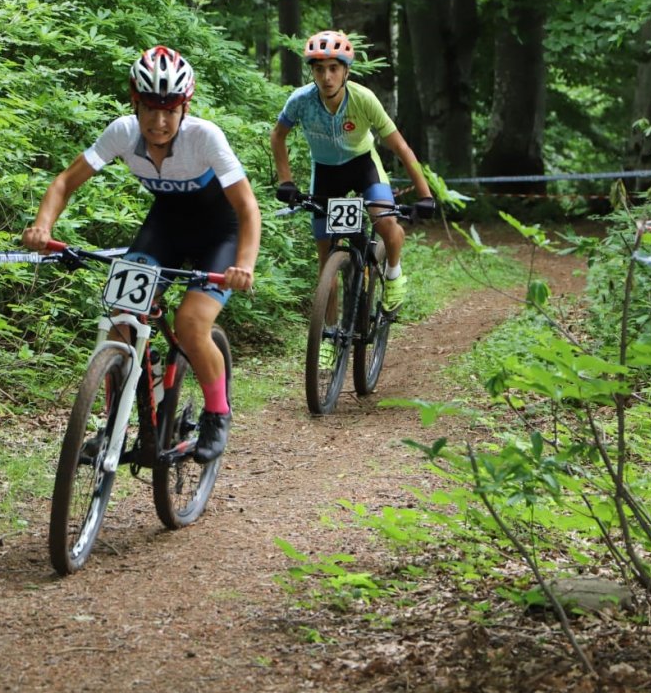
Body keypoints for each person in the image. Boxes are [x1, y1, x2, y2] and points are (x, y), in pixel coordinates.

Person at [23, 46, 260, 463]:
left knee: (190, 324)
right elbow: (65, 182)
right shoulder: (120, 133)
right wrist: (44, 226)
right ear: (135, 104)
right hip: (165, 228)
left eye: (170, 110)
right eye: (150, 108)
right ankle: (114, 423)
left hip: (218, 237)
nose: (159, 121)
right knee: (120, 316)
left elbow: (246, 207)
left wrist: (245, 264)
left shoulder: (205, 138)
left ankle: (217, 414)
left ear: (185, 107)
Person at [271, 30, 435, 312]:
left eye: (334, 68)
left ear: (346, 70)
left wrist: (425, 195)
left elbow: (402, 148)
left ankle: (394, 275)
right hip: (325, 173)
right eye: (319, 69)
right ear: (311, 71)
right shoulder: (301, 101)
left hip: (363, 166)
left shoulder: (363, 99)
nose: (327, 77)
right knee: (326, 262)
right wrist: (286, 181)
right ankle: (326, 339)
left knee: (385, 222)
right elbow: (278, 136)